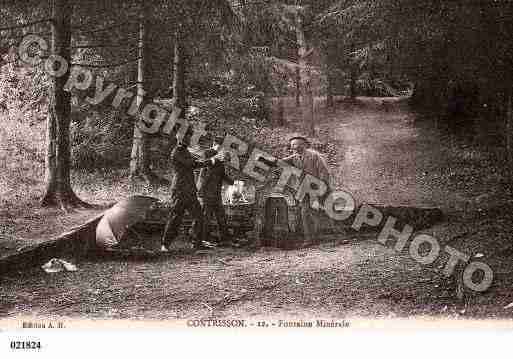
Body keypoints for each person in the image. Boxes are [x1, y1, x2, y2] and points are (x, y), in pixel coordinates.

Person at [161, 127, 224, 252]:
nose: (190, 140)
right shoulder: (177, 152)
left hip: (189, 190)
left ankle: (197, 243)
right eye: (188, 138)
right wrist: (211, 160)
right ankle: (165, 244)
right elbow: (192, 164)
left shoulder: (185, 151)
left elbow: (198, 159)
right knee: (175, 217)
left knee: (199, 216)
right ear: (182, 140)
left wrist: (212, 154)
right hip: (179, 190)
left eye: (190, 137)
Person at [265, 134, 331, 246]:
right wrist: (263, 160)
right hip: (305, 189)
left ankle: (340, 235)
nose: (294, 147)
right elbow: (278, 162)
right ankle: (310, 239)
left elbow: (324, 172)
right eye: (292, 145)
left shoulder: (314, 156)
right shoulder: (294, 157)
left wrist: (322, 186)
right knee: (305, 212)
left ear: (304, 145)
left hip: (320, 186)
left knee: (329, 210)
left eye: (296, 144)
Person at [197, 136, 234, 246]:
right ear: (215, 144)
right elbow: (206, 167)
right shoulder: (208, 153)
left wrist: (232, 182)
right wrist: (217, 151)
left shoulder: (221, 159)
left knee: (221, 215)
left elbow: (222, 174)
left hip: (216, 192)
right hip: (207, 191)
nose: (223, 149)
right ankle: (203, 239)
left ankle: (225, 239)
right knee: (206, 216)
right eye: (221, 146)